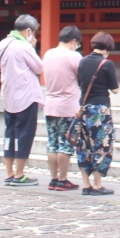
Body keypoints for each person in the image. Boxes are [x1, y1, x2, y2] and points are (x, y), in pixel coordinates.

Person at [0, 14, 43, 187]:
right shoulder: (24, 46)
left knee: (10, 133)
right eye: (34, 32)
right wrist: (33, 47)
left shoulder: (2, 44)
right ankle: (19, 173)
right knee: (25, 134)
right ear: (28, 30)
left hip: (8, 95)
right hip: (26, 96)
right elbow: (39, 67)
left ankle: (9, 172)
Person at [71, 32, 120, 197]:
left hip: (84, 108)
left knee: (83, 146)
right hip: (101, 110)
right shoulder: (107, 64)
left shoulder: (82, 61)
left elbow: (80, 83)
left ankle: (86, 185)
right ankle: (98, 185)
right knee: (101, 145)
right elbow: (115, 89)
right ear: (108, 47)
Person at [43, 26, 83, 191]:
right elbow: (82, 77)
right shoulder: (74, 56)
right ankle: (62, 179)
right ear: (73, 41)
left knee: (52, 143)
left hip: (50, 104)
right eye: (77, 44)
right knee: (65, 144)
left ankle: (53, 179)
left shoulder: (47, 54)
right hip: (67, 106)